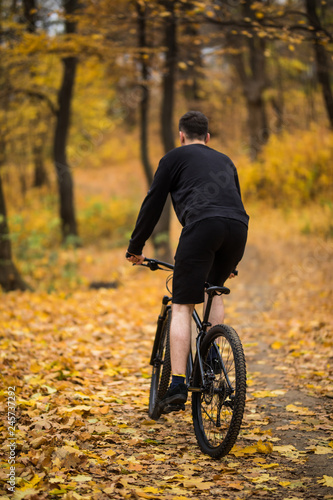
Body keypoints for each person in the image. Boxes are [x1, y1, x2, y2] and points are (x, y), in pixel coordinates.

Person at [126, 111, 249, 413]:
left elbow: (153, 203)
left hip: (203, 226)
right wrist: (230, 261)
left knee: (182, 305)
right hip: (238, 228)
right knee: (214, 289)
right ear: (208, 138)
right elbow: (232, 202)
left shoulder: (173, 158)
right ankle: (211, 355)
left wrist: (136, 246)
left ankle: (178, 384)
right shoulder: (225, 160)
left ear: (181, 136)